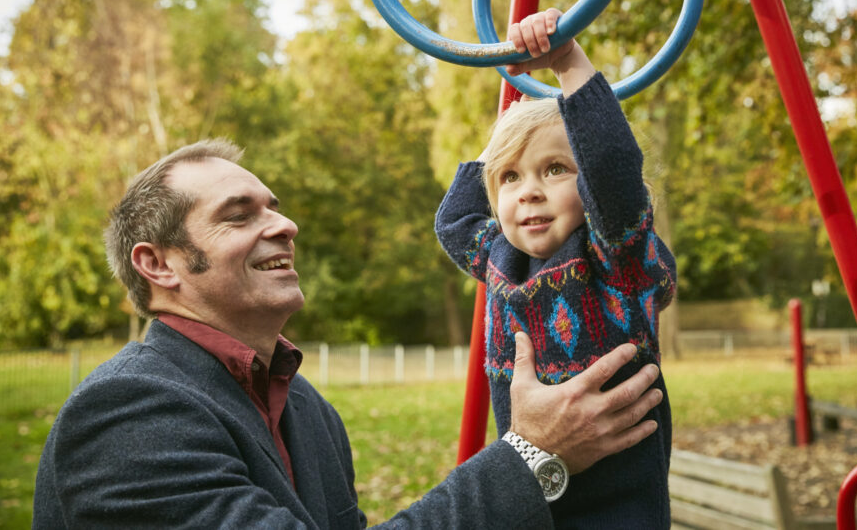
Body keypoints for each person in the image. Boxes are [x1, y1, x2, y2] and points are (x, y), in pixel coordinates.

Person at [33, 137, 666, 529]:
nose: (284, 226)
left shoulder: (307, 409)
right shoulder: (125, 415)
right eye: (238, 216)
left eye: (273, 207)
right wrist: (531, 453)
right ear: (159, 264)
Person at [435, 9, 677, 528]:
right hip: (532, 499)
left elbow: (612, 165)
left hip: (618, 507)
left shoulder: (613, 257)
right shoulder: (499, 257)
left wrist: (566, 60)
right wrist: (504, 141)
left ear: (586, 185)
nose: (529, 191)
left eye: (554, 169)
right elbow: (454, 219)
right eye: (510, 179)